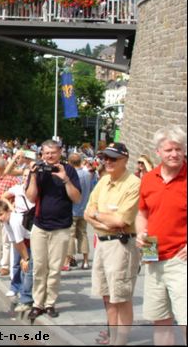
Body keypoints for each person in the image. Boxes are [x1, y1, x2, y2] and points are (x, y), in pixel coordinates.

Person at [84, 143, 141, 346]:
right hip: (102, 243)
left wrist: (98, 215)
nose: (107, 161)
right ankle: (113, 336)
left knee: (121, 297)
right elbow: (86, 212)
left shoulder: (133, 183)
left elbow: (121, 221)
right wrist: (105, 219)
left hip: (121, 245)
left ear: (125, 160)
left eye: (113, 158)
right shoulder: (104, 180)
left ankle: (121, 341)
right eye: (105, 158)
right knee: (107, 296)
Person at [135, 126, 187, 346]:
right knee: (160, 319)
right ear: (158, 152)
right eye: (169, 149)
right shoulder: (149, 179)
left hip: (181, 258)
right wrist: (140, 232)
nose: (174, 154)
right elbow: (142, 213)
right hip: (153, 255)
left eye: (178, 149)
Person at [25, 140, 81, 322]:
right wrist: (33, 176)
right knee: (39, 267)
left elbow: (77, 198)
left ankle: (50, 303)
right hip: (40, 226)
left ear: (60, 153)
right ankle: (37, 303)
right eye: (46, 153)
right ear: (41, 154)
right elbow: (31, 198)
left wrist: (64, 178)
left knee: (55, 269)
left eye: (53, 153)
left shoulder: (69, 170)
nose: (49, 156)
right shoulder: (38, 170)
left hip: (61, 227)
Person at [0, 200, 33, 313]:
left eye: (1, 214)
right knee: (22, 268)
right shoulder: (6, 222)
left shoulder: (15, 221)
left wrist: (26, 259)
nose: (0, 218)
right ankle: (23, 292)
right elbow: (15, 242)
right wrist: (22, 257)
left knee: (28, 269)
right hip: (25, 241)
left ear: (8, 211)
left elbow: (20, 242)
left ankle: (27, 299)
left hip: (33, 239)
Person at [64, 153, 94, 270]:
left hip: (72, 209)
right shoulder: (88, 174)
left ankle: (68, 260)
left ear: (70, 163)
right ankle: (85, 261)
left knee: (70, 235)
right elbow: (91, 190)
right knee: (83, 234)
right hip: (84, 208)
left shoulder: (71, 175)